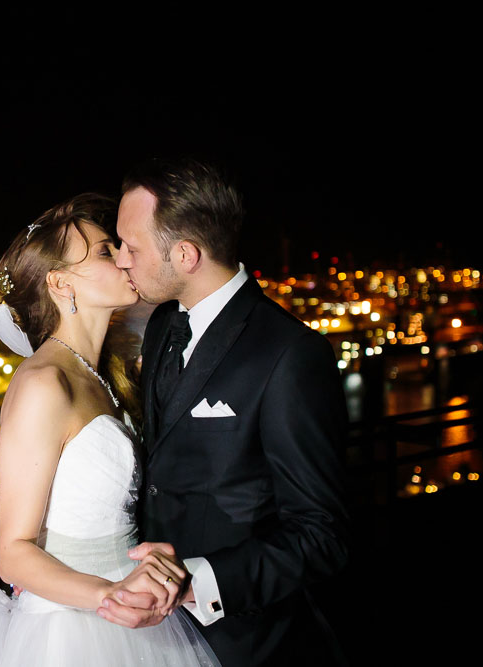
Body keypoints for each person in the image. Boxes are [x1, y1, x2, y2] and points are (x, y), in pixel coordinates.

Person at [0, 193, 219, 666]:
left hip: (134, 605)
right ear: (59, 283)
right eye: (102, 251)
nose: (121, 257)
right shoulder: (42, 383)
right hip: (75, 625)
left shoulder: (104, 375)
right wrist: (110, 594)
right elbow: (12, 551)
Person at [101, 157, 351, 666]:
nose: (121, 259)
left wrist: (197, 582)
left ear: (187, 254)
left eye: (132, 246)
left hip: (250, 640)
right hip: (153, 631)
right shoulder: (163, 326)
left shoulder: (289, 354)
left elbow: (320, 535)